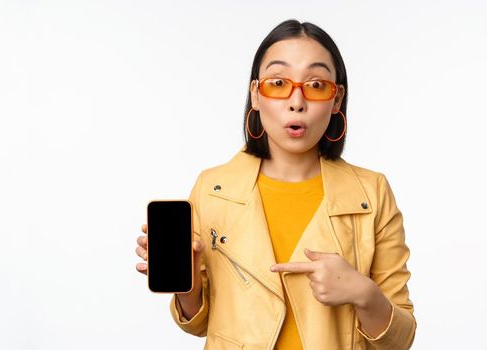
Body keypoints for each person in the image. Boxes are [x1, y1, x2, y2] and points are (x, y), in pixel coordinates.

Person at [134, 19, 416, 349]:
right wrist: (188, 284)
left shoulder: (372, 192)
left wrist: (363, 293)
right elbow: (199, 323)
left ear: (336, 99)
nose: (296, 101)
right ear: (255, 94)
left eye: (316, 85)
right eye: (279, 82)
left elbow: (401, 339)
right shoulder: (213, 189)